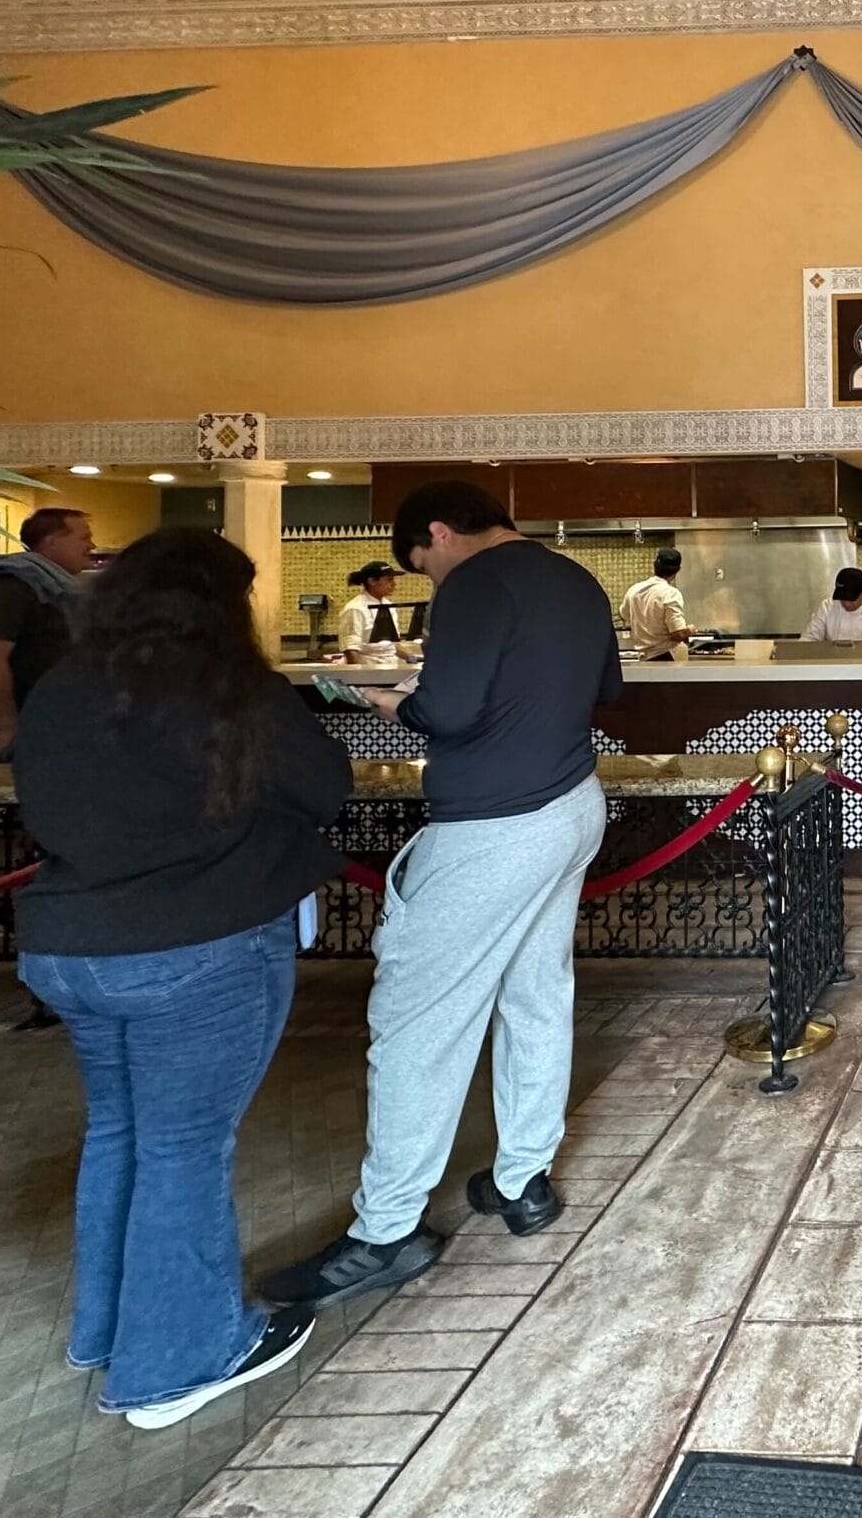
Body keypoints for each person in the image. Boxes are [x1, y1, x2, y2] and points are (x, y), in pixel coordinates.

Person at [9, 529, 353, 1428]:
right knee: (183, 1149)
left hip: (71, 949)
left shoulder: (62, 687)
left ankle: (112, 1330)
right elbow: (324, 786)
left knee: (121, 1134)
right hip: (195, 950)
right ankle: (178, 1364)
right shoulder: (231, 688)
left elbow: (50, 804)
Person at [263, 480, 623, 1310]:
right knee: (536, 996)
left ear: (437, 534)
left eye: (421, 566)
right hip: (572, 805)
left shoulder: (475, 585)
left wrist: (393, 702)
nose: (428, 580)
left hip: (491, 827)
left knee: (418, 1021)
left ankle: (385, 1231)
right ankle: (523, 1181)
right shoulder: (572, 577)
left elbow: (448, 712)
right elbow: (604, 687)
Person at [0, 507, 96, 757]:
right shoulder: (10, 585)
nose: (92, 545)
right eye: (84, 537)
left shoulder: (58, 591)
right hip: (27, 726)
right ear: (52, 542)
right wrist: (7, 725)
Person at [622, 546, 695, 663]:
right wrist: (691, 630)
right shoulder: (671, 593)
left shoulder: (634, 590)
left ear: (655, 566)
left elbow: (624, 615)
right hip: (664, 658)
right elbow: (678, 634)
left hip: (643, 659)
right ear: (677, 570)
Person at [800, 566, 862, 645]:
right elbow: (808, 640)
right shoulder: (827, 608)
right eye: (842, 599)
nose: (847, 604)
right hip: (834, 667)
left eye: (852, 599)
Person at [332, 561, 406, 666]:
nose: (393, 584)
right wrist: (362, 676)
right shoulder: (355, 608)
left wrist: (414, 658)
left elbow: (392, 646)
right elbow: (350, 649)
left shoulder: (388, 606)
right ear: (372, 581)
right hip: (368, 665)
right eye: (389, 580)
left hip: (391, 665)